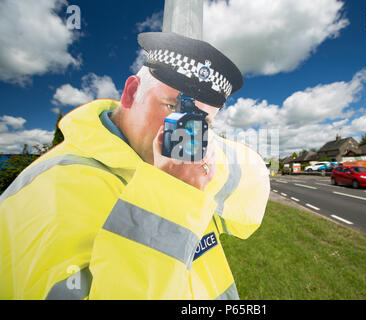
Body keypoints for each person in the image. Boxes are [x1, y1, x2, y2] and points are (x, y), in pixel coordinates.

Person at [0, 32, 270, 299]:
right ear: (130, 93)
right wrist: (170, 199)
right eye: (171, 107)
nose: (184, 133)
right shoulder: (52, 191)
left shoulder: (194, 165)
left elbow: (252, 202)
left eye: (202, 123)